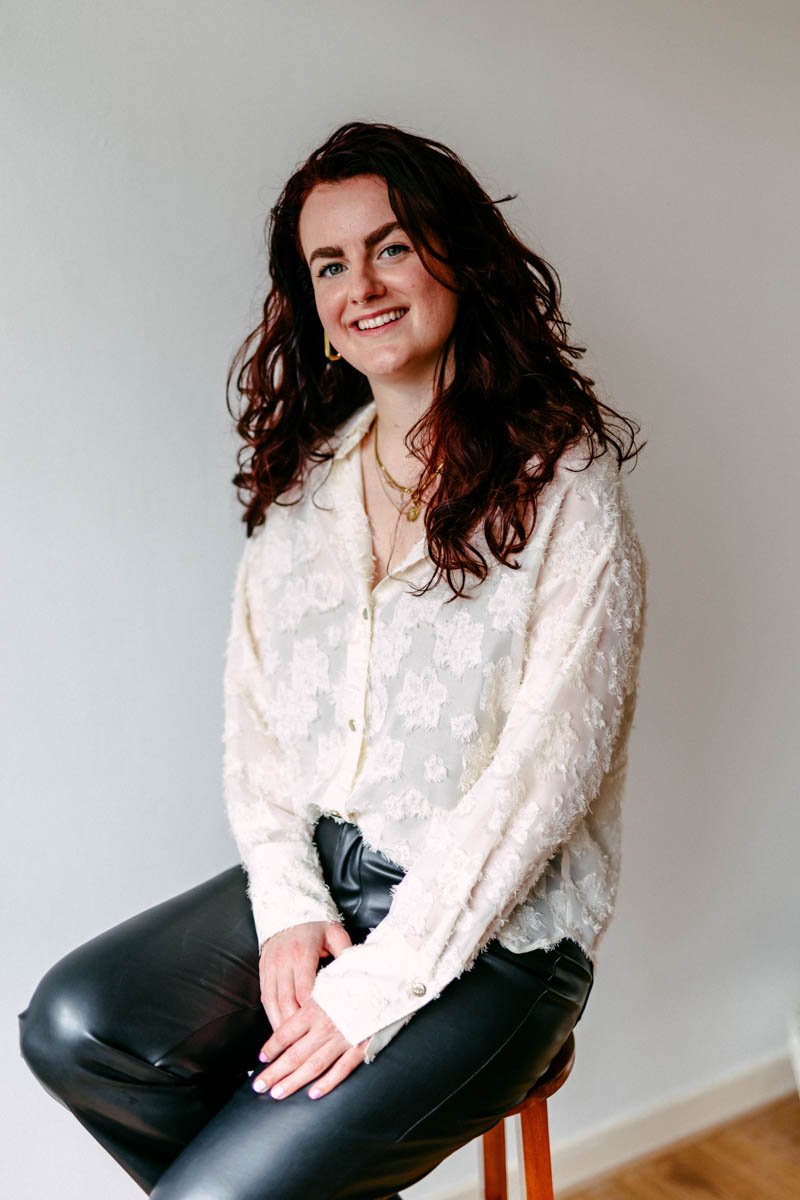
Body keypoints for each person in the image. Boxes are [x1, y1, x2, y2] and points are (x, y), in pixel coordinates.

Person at [18, 120, 648, 1200]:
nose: (362, 282)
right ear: (308, 303)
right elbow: (257, 730)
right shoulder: (303, 489)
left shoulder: (564, 491)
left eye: (391, 246)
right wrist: (290, 903)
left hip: (500, 939)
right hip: (331, 875)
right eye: (329, 263)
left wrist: (377, 988)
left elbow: (538, 787)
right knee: (76, 1027)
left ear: (457, 259)